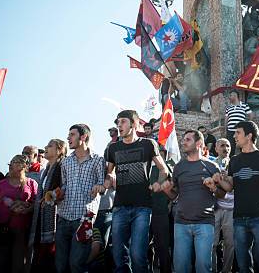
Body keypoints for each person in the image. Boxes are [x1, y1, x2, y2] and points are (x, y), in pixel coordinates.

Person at [105, 110, 170, 273]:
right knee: (119, 255)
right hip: (119, 207)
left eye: (123, 122)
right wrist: (107, 180)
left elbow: (164, 170)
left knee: (138, 254)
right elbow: (109, 172)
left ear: (134, 124)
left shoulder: (148, 144)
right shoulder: (113, 148)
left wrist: (158, 183)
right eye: (117, 123)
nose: (119, 125)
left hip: (142, 207)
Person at [213, 121, 259, 273]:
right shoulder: (235, 160)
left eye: (238, 133)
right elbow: (230, 188)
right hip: (239, 219)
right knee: (243, 266)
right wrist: (219, 180)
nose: (234, 136)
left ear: (249, 136)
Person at [155, 130, 221, 273]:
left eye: (187, 140)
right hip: (181, 224)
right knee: (180, 267)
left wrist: (214, 187)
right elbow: (174, 196)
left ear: (198, 144)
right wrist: (166, 190)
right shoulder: (179, 167)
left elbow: (221, 194)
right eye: (183, 139)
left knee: (203, 267)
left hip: (205, 223)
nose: (183, 142)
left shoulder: (211, 166)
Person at [56, 124, 105, 273]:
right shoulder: (65, 162)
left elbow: (103, 186)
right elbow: (64, 185)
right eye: (68, 134)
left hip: (85, 219)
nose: (68, 138)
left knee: (77, 265)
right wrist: (58, 193)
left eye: (72, 135)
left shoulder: (98, 160)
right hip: (63, 217)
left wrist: (100, 187)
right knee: (60, 266)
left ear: (83, 137)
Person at [0, 155, 38, 273]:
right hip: (2, 229)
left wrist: (27, 209)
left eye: (14, 162)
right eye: (11, 162)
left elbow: (37, 204)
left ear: (24, 166)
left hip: (22, 230)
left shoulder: (31, 183)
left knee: (18, 265)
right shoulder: (1, 184)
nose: (10, 165)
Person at [29, 139, 67, 273]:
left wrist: (51, 196)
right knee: (39, 255)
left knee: (50, 258)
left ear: (59, 150)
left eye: (50, 145)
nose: (45, 147)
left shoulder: (63, 167)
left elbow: (63, 189)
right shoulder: (45, 171)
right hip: (41, 217)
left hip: (55, 218)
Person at [148, 145, 173, 273]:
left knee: (162, 245)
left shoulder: (167, 167)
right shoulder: (145, 166)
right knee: (144, 246)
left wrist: (169, 204)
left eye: (162, 152)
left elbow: (173, 187)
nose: (159, 155)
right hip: (144, 211)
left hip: (160, 211)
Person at [212, 138, 235, 273]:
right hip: (215, 209)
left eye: (227, 146)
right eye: (222, 146)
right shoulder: (211, 164)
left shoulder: (235, 164)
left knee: (230, 244)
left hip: (231, 210)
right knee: (212, 244)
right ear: (216, 148)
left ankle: (226, 270)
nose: (225, 148)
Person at [224, 90, 252, 155]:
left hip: (240, 131)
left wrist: (247, 125)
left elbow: (251, 114)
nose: (229, 97)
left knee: (242, 147)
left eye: (230, 96)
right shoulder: (228, 108)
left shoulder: (244, 105)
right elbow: (226, 119)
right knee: (230, 148)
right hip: (230, 131)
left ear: (235, 96)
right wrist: (225, 130)